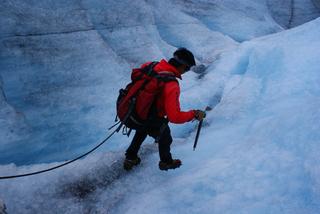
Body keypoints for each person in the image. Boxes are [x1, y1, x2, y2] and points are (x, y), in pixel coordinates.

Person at [124, 48, 206, 171]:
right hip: (146, 115)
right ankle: (166, 162)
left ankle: (130, 157)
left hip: (132, 109)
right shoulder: (171, 84)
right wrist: (194, 114)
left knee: (143, 129)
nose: (186, 72)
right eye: (187, 68)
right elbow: (175, 117)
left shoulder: (151, 66)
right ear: (183, 66)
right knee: (165, 135)